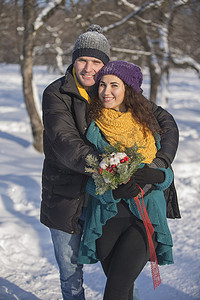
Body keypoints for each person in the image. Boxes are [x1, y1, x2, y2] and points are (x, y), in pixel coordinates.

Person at [40, 24, 180, 300]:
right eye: (83, 60)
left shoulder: (114, 87)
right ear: (73, 60)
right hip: (67, 195)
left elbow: (166, 123)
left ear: (105, 65)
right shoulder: (56, 93)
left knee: (122, 277)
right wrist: (112, 168)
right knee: (70, 273)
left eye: (96, 62)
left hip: (110, 202)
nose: (89, 69)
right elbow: (65, 141)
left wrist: (159, 164)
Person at [78, 60, 180, 300]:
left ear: (129, 89)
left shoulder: (148, 125)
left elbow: (166, 177)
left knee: (116, 287)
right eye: (102, 85)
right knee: (122, 289)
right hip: (106, 218)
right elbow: (88, 178)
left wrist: (157, 174)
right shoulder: (93, 127)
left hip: (144, 218)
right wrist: (113, 192)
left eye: (114, 85)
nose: (106, 91)